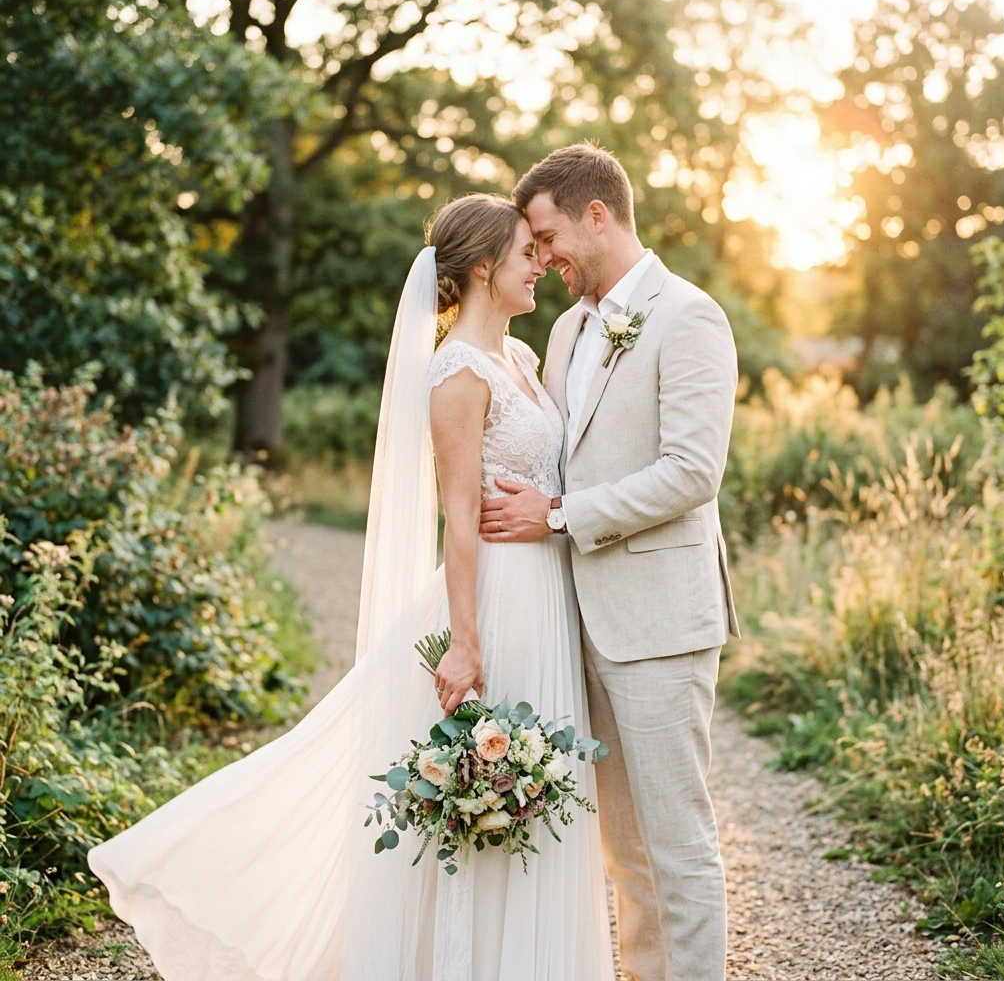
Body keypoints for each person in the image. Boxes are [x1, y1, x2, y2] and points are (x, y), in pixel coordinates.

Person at [87, 193, 614, 981]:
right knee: (494, 796)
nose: (539, 262)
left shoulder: (521, 359)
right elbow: (459, 518)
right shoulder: (458, 373)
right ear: (481, 269)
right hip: (501, 602)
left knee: (538, 796)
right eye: (523, 253)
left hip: (546, 596)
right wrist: (465, 643)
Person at [480, 143, 740, 981]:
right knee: (623, 847)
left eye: (549, 235)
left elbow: (692, 472)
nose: (542, 255)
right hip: (578, 621)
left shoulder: (689, 315)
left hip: (660, 617)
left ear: (599, 215)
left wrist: (557, 515)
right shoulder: (562, 330)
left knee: (678, 842)